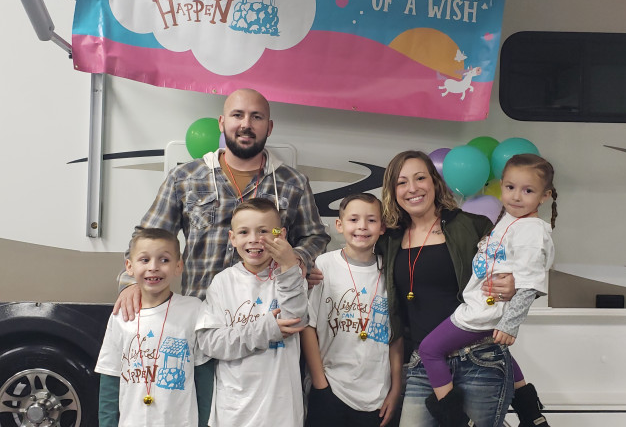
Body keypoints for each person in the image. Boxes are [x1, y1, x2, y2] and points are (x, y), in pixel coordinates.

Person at [114, 88, 330, 320]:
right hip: (200, 315)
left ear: (269, 127)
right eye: (238, 115)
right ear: (222, 122)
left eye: (256, 117)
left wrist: (297, 260)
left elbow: (315, 237)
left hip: (267, 318)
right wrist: (130, 284)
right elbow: (149, 236)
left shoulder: (293, 183)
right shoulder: (185, 177)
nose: (246, 124)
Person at [376, 150, 517, 427]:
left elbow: (515, 268)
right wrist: (315, 273)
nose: (413, 188)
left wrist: (514, 283)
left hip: (479, 358)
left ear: (435, 182)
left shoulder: (472, 226)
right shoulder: (389, 239)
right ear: (393, 190)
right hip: (422, 363)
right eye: (402, 182)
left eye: (420, 178)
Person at [418, 153, 557, 427]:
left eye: (528, 190)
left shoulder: (531, 231)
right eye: (510, 187)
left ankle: (455, 419)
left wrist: (509, 324)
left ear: (544, 196)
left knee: (429, 350)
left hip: (484, 311)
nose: (517, 196)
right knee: (500, 351)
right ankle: (532, 415)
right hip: (485, 306)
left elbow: (529, 284)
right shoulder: (511, 219)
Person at [196, 198, 308, 427]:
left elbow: (295, 321)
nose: (254, 239)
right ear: (232, 238)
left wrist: (288, 266)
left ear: (281, 234)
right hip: (233, 411)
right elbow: (209, 342)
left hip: (281, 410)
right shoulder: (222, 282)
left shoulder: (293, 277)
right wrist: (268, 328)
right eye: (244, 232)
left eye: (264, 231)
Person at [302, 193, 403, 427]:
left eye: (371, 220)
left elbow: (395, 337)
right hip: (330, 389)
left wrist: (395, 390)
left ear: (382, 227)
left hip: (377, 397)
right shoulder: (323, 266)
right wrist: (320, 384)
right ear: (339, 225)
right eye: (354, 219)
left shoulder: (389, 271)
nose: (362, 227)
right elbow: (309, 326)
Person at [95, 228, 211, 427]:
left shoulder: (194, 309)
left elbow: (205, 379)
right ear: (129, 267)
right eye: (144, 260)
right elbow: (110, 380)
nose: (154, 267)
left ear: (178, 266)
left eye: (164, 260)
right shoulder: (121, 316)